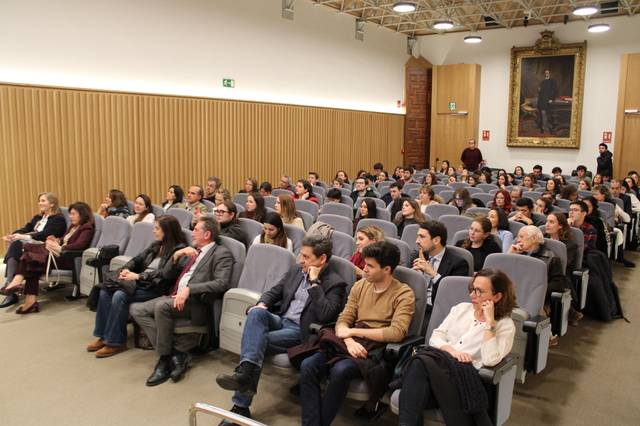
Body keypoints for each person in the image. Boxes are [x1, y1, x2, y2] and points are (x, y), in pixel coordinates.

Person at [216, 236, 347, 423]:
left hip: (301, 332)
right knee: (256, 314)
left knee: (254, 342)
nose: (300, 260)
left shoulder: (335, 283)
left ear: (322, 259)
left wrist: (315, 283)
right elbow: (274, 291)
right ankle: (245, 375)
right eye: (300, 255)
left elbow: (326, 314)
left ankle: (240, 404)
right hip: (281, 320)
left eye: (306, 257)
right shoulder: (295, 270)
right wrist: (262, 304)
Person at [299, 241, 415, 426]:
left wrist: (352, 331)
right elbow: (344, 319)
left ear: (386, 269)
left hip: (375, 349)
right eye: (365, 264)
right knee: (307, 365)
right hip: (348, 342)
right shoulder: (360, 286)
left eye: (370, 266)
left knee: (340, 370)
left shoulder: (403, 293)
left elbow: (396, 333)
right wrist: (350, 339)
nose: (364, 269)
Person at [397, 269, 516, 426]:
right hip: (438, 366)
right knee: (421, 367)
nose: (472, 295)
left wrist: (489, 324)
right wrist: (452, 351)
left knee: (418, 368)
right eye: (472, 289)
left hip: (464, 378)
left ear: (497, 296)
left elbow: (490, 359)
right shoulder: (461, 309)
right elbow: (435, 337)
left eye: (479, 291)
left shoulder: (505, 325)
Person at [130, 216, 233, 386]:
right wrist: (177, 255)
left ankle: (163, 360)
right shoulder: (190, 250)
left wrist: (190, 289)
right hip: (174, 296)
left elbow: (221, 283)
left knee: (162, 306)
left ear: (207, 234)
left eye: (196, 230)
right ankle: (175, 354)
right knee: (136, 309)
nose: (192, 233)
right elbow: (166, 274)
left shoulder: (221, 253)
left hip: (195, 303)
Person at [87, 215, 187, 357]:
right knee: (105, 291)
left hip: (157, 288)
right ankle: (103, 336)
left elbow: (165, 274)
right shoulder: (156, 245)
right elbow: (137, 259)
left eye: (157, 228)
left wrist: (139, 276)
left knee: (119, 295)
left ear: (167, 231)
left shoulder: (179, 250)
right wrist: (126, 269)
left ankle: (115, 342)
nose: (154, 231)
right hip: (141, 283)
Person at [1, 201, 94, 311]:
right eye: (70, 214)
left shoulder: (87, 228)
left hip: (67, 259)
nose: (70, 216)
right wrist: (56, 240)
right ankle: (30, 300)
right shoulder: (74, 226)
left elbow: (79, 246)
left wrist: (60, 248)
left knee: (30, 258)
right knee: (30, 261)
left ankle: (16, 282)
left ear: (82, 214)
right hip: (58, 255)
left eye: (73, 214)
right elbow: (65, 239)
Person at [1, 192, 67, 308]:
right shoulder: (38, 217)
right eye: (39, 201)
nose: (40, 203)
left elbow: (45, 235)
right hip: (31, 244)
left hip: (43, 247)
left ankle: (10, 287)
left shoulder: (58, 219)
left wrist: (23, 237)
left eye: (43, 201)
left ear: (52, 204)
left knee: (16, 245)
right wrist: (14, 235)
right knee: (15, 243)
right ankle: (11, 286)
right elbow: (26, 228)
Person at [409, 221, 468, 307]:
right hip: (413, 304)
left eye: (422, 237)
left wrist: (433, 274)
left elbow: (452, 294)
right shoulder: (416, 255)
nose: (417, 241)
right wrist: (415, 275)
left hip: (436, 308)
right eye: (418, 236)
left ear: (436, 240)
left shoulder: (458, 264)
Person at [509, 226, 570, 303]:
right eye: (518, 237)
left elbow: (558, 283)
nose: (518, 240)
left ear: (534, 239)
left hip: (536, 301)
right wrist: (510, 256)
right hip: (512, 296)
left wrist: (537, 293)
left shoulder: (551, 257)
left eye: (521, 237)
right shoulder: (516, 254)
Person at [544, 212, 578, 277]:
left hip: (558, 277)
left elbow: (563, 265)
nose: (547, 225)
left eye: (551, 222)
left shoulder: (570, 245)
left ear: (560, 225)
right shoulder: (542, 240)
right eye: (547, 221)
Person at [537, 69, 558, 133]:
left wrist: (551, 99)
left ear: (549, 74)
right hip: (542, 100)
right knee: (542, 113)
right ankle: (543, 127)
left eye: (548, 73)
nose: (546, 74)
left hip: (548, 100)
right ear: (544, 74)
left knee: (548, 113)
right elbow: (540, 91)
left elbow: (554, 91)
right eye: (545, 73)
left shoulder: (552, 81)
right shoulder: (542, 82)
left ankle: (547, 127)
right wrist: (539, 90)